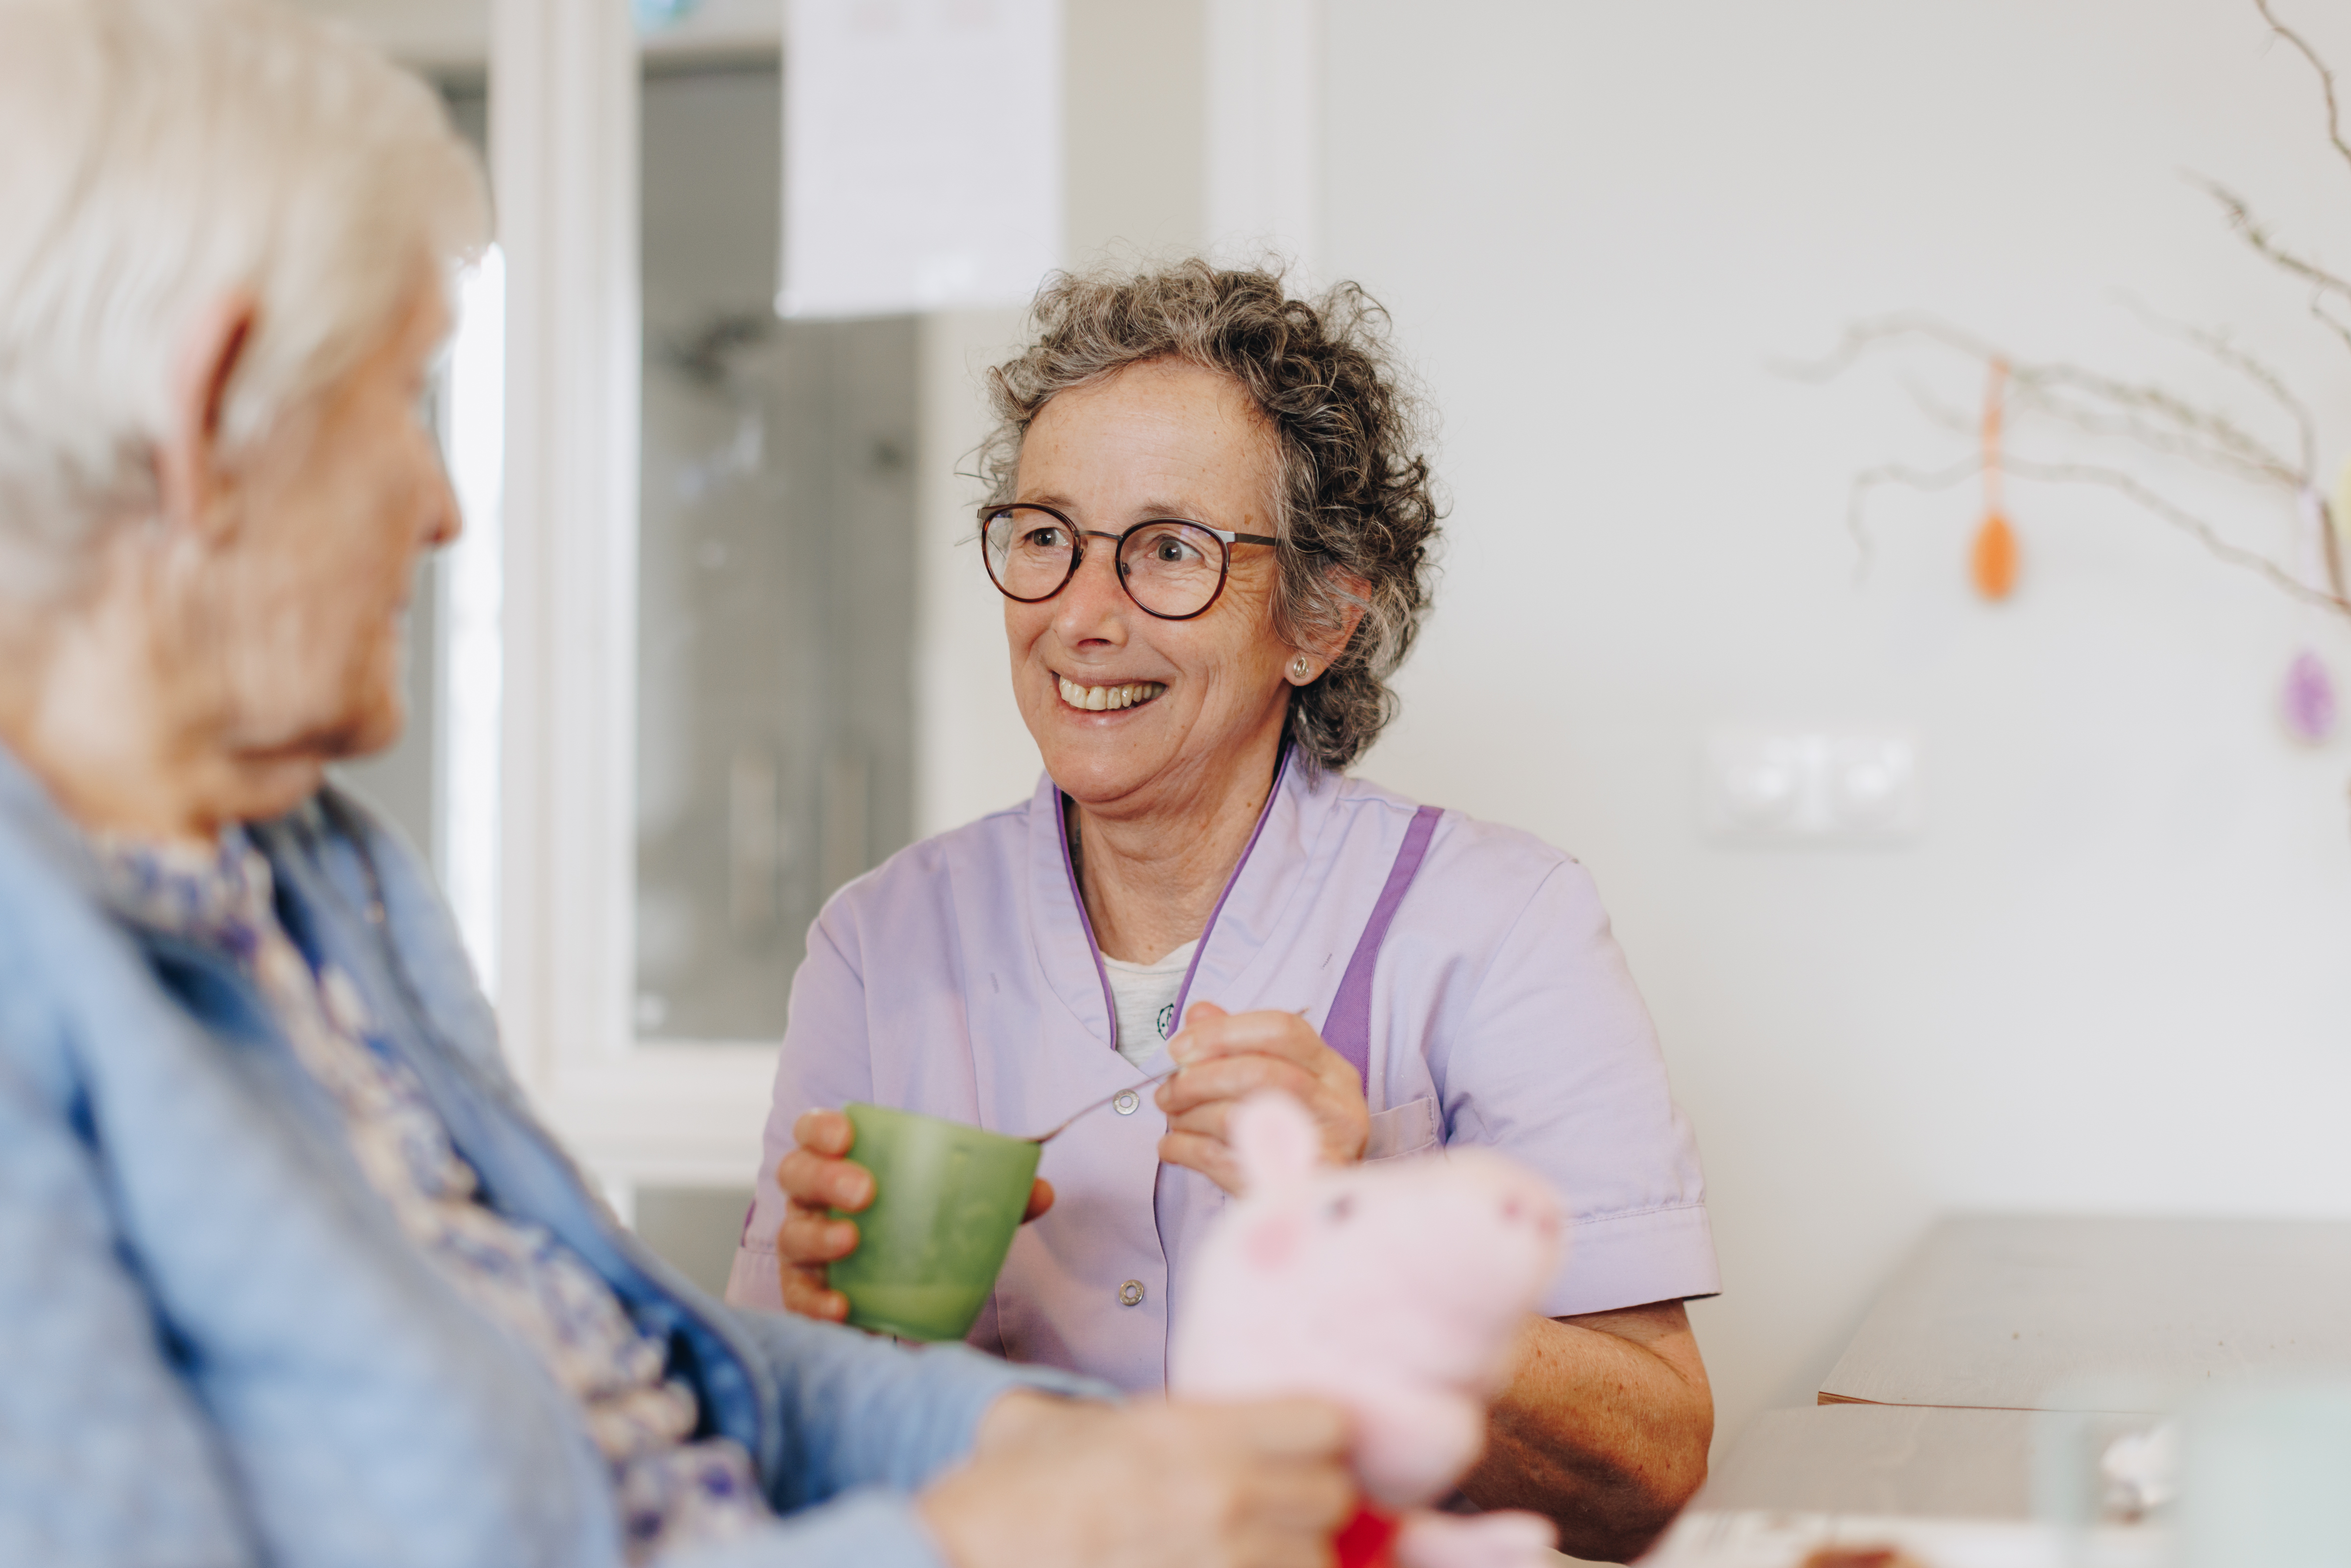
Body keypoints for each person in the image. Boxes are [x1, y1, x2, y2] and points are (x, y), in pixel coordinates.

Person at [0, 3, 1363, 1564]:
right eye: (400, 403)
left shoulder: (318, 874)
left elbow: (647, 1358)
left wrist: (1047, 1446)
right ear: (204, 413)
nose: (446, 508)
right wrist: (974, 1541)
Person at [727, 263, 1722, 1559]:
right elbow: (748, 1434)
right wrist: (816, 1317)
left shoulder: (1501, 923)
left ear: (1316, 615)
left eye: (1169, 553)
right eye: (1045, 536)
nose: (1083, 616)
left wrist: (1368, 1223)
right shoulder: (881, 944)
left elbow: (1653, 1465)